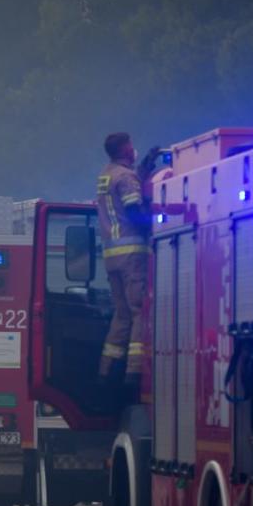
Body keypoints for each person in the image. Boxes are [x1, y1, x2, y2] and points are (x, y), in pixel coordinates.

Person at [96, 132, 151, 383]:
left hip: (111, 254)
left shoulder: (106, 175)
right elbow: (132, 209)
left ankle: (107, 368)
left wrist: (142, 172)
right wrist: (154, 226)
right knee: (139, 310)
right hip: (131, 253)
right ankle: (134, 370)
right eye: (131, 145)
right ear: (126, 149)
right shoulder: (126, 177)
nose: (133, 149)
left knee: (122, 313)